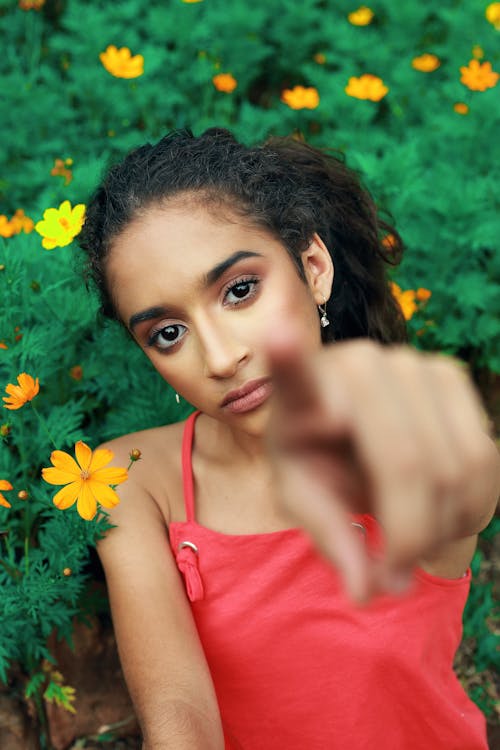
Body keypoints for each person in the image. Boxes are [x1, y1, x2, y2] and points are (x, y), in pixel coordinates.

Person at [79, 128, 499, 750]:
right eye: (168, 333)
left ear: (313, 267)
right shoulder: (130, 478)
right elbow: (177, 711)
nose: (221, 358)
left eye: (239, 291)